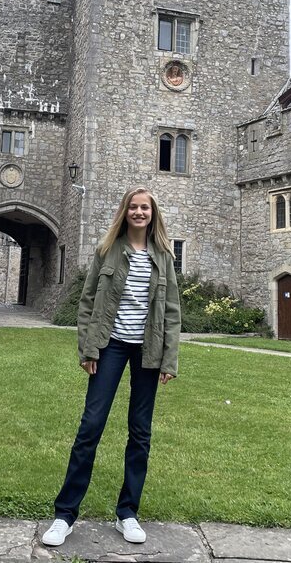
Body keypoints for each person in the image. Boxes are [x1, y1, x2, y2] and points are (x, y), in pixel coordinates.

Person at [42, 186, 181, 547]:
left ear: (153, 214)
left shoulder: (163, 255)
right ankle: (65, 515)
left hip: (148, 351)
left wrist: (169, 359)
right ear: (125, 212)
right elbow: (88, 302)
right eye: (133, 207)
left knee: (140, 432)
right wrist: (88, 349)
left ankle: (127, 513)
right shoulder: (107, 251)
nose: (139, 213)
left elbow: (171, 313)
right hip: (110, 346)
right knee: (91, 426)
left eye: (144, 208)